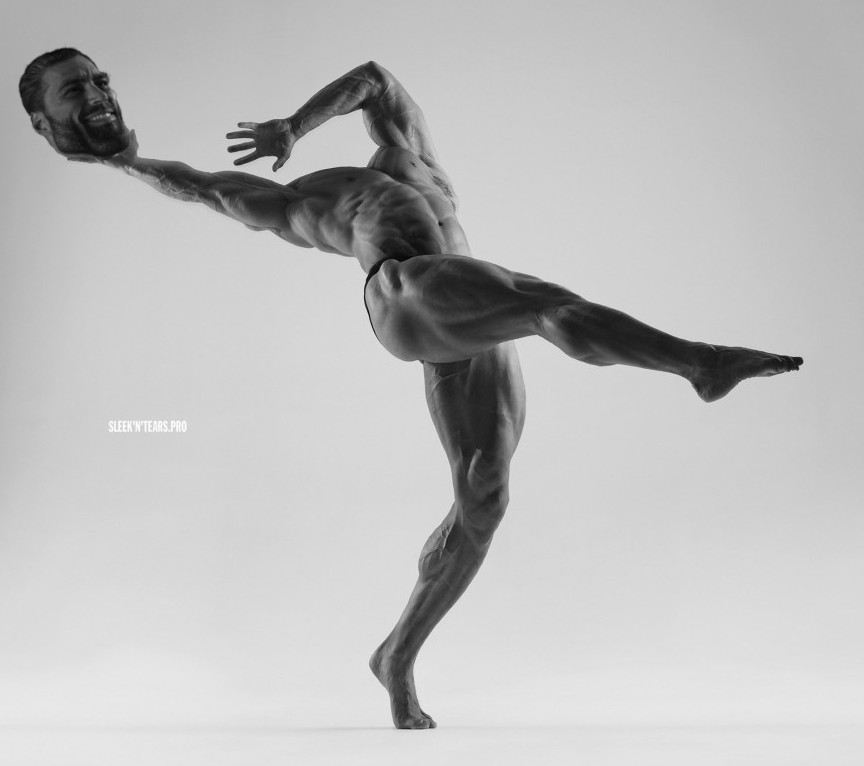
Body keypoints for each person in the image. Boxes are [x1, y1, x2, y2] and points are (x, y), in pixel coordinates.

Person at [21, 48, 802, 729]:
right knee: (548, 307)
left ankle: (396, 655)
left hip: (463, 310)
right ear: (49, 119)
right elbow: (201, 186)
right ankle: (700, 364)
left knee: (485, 495)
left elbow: (374, 78)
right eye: (75, 92)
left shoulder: (412, 152)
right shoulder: (313, 198)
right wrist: (121, 160)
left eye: (98, 80)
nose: (97, 93)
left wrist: (293, 124)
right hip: (406, 294)